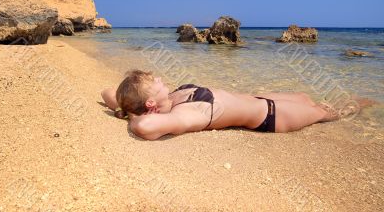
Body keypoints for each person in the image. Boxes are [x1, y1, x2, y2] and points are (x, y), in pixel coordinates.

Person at [101, 70, 345, 140]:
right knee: (331, 111)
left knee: (305, 96)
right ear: (151, 102)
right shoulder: (185, 114)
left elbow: (107, 92)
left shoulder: (169, 100)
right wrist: (132, 117)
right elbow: (144, 126)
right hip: (272, 116)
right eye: (154, 82)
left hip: (260, 100)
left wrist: (123, 109)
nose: (160, 79)